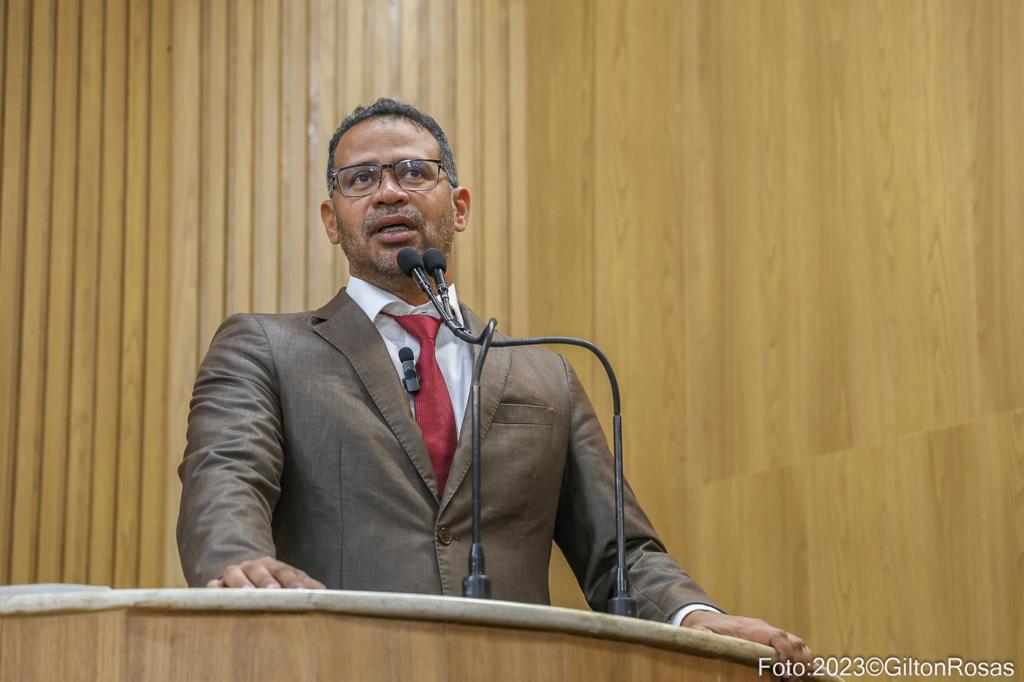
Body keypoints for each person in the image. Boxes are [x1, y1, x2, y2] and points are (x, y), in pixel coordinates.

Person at [177, 97, 812, 666]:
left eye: (413, 171)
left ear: (459, 207)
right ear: (330, 219)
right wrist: (237, 565)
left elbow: (620, 552)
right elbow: (227, 475)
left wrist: (696, 618)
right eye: (361, 179)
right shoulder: (267, 348)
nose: (389, 192)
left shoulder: (547, 372)